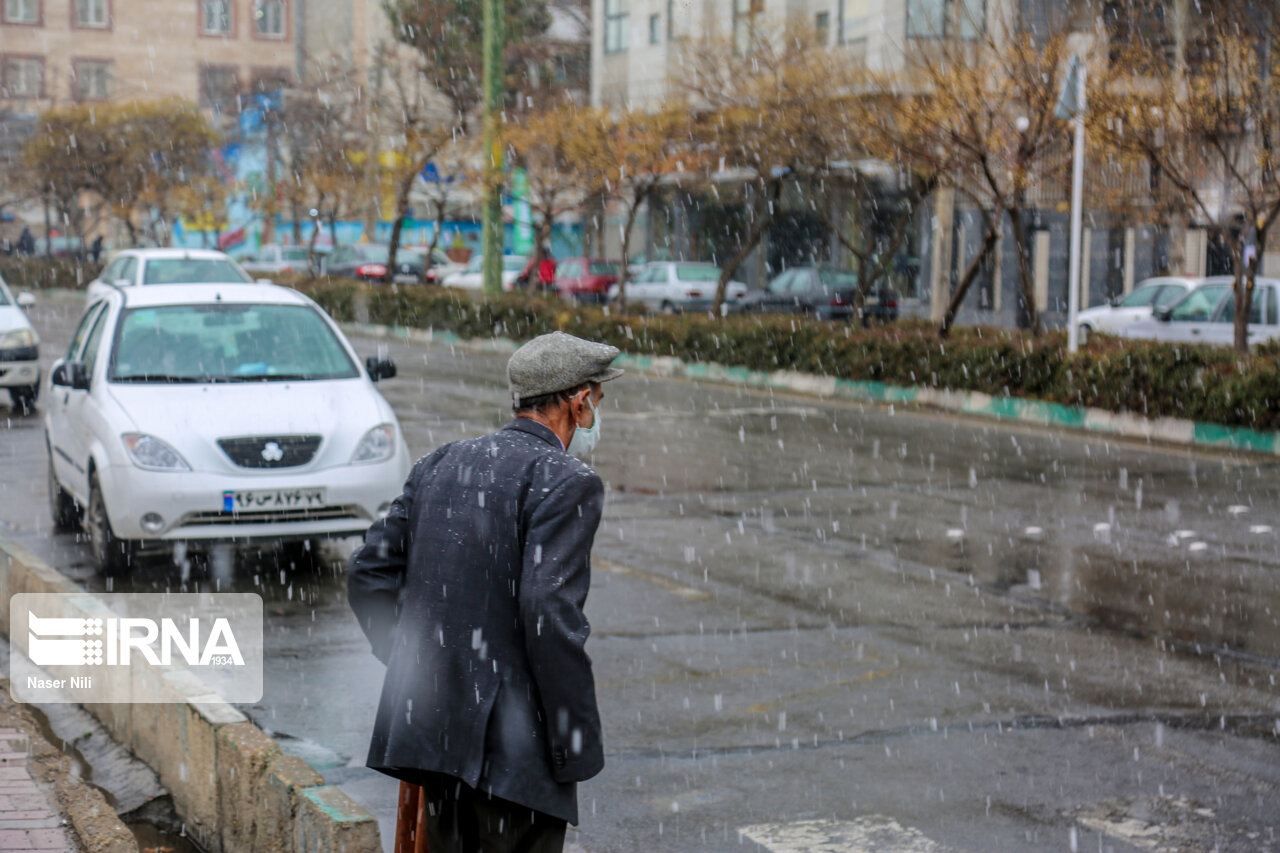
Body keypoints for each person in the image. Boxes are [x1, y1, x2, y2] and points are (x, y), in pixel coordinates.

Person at [347, 331, 622, 853]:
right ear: (579, 402)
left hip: (434, 739)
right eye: (598, 400)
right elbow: (547, 611)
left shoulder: (442, 463)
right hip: (516, 758)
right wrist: (575, 744)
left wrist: (416, 665)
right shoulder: (566, 480)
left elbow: (367, 572)